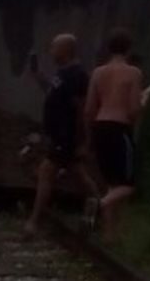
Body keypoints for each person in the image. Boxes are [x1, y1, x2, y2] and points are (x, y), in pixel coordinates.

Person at [24, 33, 99, 236]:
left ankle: (34, 221)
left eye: (53, 47)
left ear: (65, 50)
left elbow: (83, 110)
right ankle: (97, 209)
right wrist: (38, 75)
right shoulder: (63, 73)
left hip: (67, 137)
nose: (50, 51)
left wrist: (83, 141)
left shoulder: (78, 75)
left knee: (46, 172)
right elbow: (52, 92)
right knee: (79, 175)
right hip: (60, 136)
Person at [85, 28, 143, 243]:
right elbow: (134, 109)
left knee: (111, 184)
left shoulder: (98, 72)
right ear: (128, 50)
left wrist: (89, 135)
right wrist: (144, 101)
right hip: (120, 128)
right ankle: (98, 205)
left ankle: (109, 236)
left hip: (100, 125)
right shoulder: (133, 73)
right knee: (127, 185)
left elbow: (89, 109)